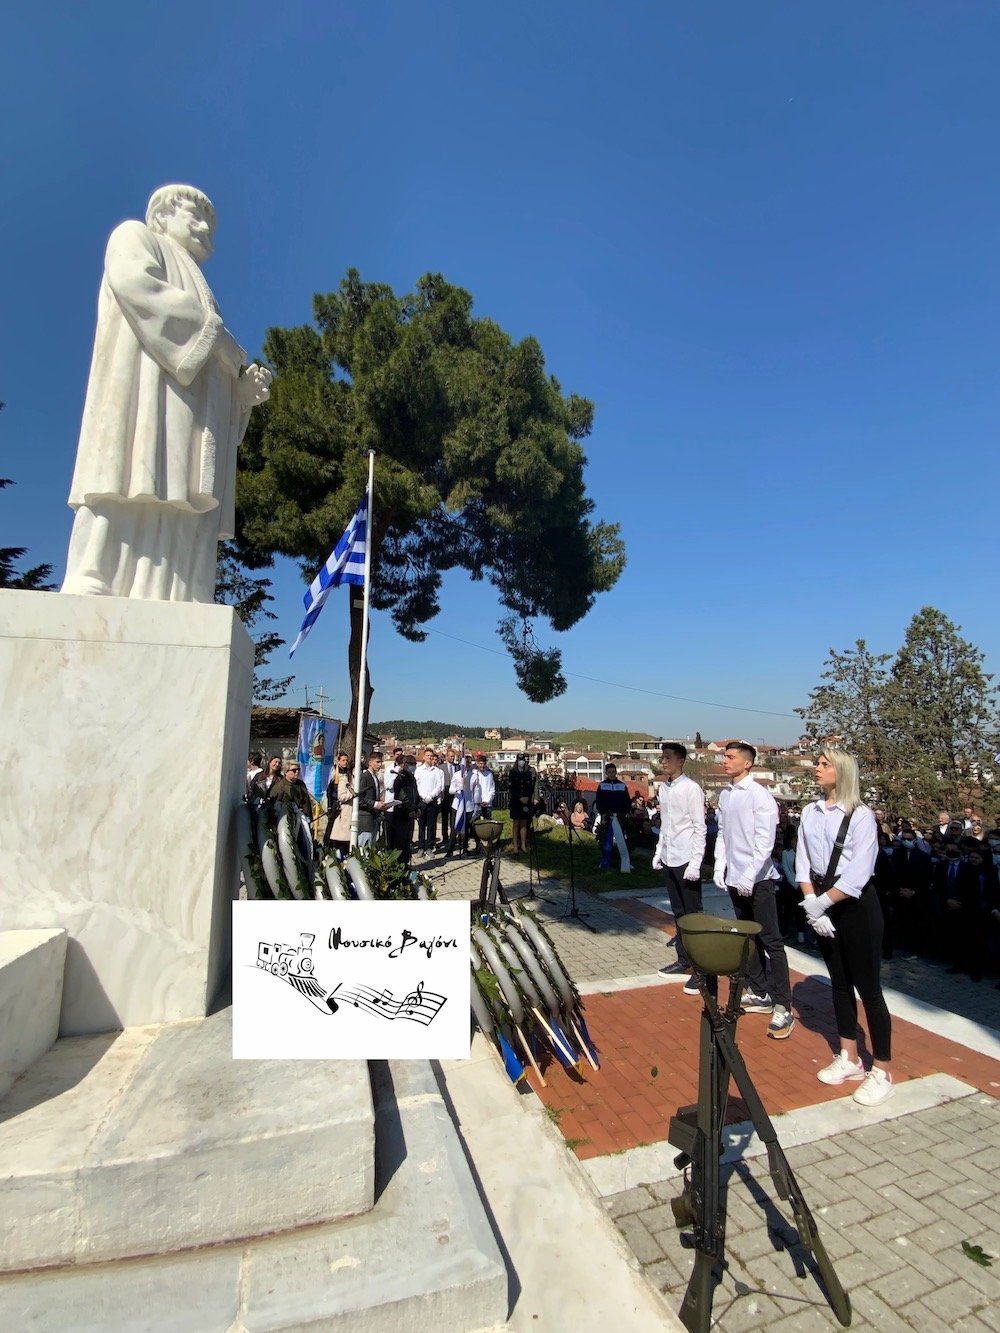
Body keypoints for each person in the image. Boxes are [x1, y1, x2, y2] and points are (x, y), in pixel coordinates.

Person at [61, 184, 272, 602]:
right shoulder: (134, 236)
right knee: (126, 474)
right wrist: (218, 341)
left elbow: (213, 361)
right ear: (162, 214)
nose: (204, 228)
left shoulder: (202, 284)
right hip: (142, 395)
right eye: (194, 216)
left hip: (189, 413)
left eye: (210, 224)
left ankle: (175, 590)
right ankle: (96, 574)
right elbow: (137, 285)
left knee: (182, 494)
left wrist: (241, 394)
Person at [796, 748, 893, 1106]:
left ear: (841, 772)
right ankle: (849, 1056)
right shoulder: (810, 811)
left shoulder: (860, 815)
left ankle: (881, 1069)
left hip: (855, 907)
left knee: (869, 989)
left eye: (824, 765)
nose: (816, 769)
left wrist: (822, 903)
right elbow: (803, 861)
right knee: (838, 984)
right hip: (821, 902)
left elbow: (859, 873)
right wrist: (811, 903)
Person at [714, 741, 794, 1038]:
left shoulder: (760, 796)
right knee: (747, 938)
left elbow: (765, 842)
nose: (725, 760)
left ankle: (784, 1005)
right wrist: (721, 864)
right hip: (736, 877)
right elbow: (723, 832)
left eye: (730, 757)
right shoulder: (726, 794)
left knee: (771, 940)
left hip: (758, 880)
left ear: (747, 763)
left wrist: (750, 875)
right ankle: (760, 991)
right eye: (725, 756)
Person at [653, 743, 706, 995]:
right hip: (670, 855)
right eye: (662, 758)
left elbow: (699, 827)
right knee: (678, 912)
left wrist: (696, 862)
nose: (664, 762)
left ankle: (701, 969)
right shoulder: (664, 788)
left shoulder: (691, 789)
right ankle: (684, 959)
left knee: (693, 913)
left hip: (687, 858)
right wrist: (658, 851)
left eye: (668, 758)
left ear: (681, 761)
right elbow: (665, 824)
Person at [594, 763, 632, 872]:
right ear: (606, 773)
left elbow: (627, 801)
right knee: (607, 840)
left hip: (620, 817)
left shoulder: (622, 785)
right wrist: (603, 813)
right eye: (609, 772)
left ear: (616, 772)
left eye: (613, 772)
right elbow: (599, 801)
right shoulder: (602, 785)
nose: (611, 774)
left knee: (622, 839)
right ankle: (606, 861)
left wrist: (625, 812)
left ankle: (624, 862)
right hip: (607, 817)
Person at [388, 755, 419, 868]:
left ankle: (405, 862)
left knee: (407, 840)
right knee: (400, 841)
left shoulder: (411, 777)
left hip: (410, 814)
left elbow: (416, 793)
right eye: (411, 764)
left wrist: (417, 808)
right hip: (402, 814)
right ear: (404, 765)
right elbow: (403, 797)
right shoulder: (400, 778)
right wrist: (412, 808)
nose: (413, 767)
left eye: (414, 764)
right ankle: (398, 864)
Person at [323, 751, 354, 855]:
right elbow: (330, 790)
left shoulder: (348, 773)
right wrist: (330, 805)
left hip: (345, 805)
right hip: (335, 803)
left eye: (346, 760)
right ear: (338, 761)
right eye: (343, 760)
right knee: (332, 827)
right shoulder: (334, 772)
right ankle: (327, 847)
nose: (345, 762)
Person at [415, 748, 445, 853]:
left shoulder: (436, 771)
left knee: (431, 825)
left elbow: (439, 785)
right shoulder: (419, 770)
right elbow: (417, 784)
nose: (429, 757)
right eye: (427, 755)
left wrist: (431, 796)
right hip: (422, 801)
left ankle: (429, 847)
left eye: (431, 756)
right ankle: (421, 846)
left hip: (432, 801)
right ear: (423, 757)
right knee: (421, 825)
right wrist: (423, 796)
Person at [356, 751, 386, 850]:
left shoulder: (375, 777)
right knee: (364, 848)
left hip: (373, 818)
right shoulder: (365, 777)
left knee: (371, 847)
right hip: (365, 819)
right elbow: (359, 799)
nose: (380, 764)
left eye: (381, 762)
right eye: (377, 762)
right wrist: (374, 804)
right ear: (370, 762)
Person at [508, 754, 536, 854]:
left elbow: (530, 788)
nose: (521, 762)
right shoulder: (512, 773)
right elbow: (512, 788)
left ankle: (523, 845)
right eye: (520, 760)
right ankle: (515, 846)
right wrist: (520, 798)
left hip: (526, 801)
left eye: (523, 760)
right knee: (516, 823)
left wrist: (528, 797)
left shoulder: (528, 773)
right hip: (516, 801)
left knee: (524, 823)